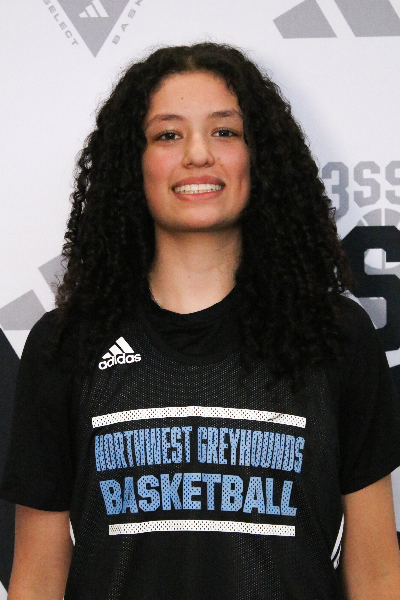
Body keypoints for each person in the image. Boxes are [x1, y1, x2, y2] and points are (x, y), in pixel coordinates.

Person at [2, 42, 400, 599]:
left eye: (225, 131)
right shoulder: (67, 344)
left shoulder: (334, 336)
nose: (197, 154)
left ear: (258, 157)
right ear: (133, 163)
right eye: (168, 134)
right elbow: (37, 580)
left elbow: (379, 574)